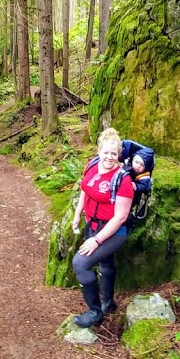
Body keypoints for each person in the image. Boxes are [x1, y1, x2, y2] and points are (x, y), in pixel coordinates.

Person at [70, 128, 135, 328]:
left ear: (119, 154)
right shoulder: (92, 164)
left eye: (113, 154)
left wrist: (96, 240)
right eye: (106, 152)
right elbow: (85, 189)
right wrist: (77, 213)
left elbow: (120, 216)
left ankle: (95, 312)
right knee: (105, 264)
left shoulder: (122, 179)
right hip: (93, 223)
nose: (109, 157)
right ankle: (108, 302)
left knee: (80, 263)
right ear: (99, 151)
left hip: (114, 231)